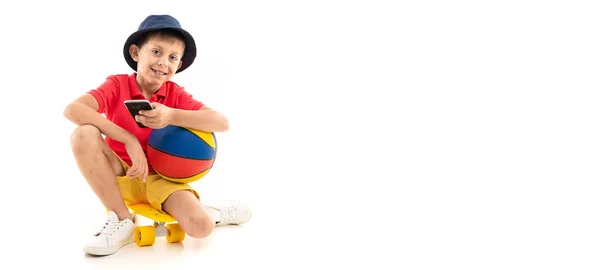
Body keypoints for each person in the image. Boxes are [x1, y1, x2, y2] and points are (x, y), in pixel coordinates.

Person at [63, 14, 252, 256]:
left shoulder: (175, 96)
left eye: (172, 57)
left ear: (179, 65)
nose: (163, 62)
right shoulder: (117, 85)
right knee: (83, 133)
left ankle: (211, 212)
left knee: (200, 227)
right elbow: (73, 110)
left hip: (161, 179)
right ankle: (122, 221)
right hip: (118, 173)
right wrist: (128, 140)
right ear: (135, 53)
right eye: (156, 51)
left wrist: (172, 116)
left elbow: (221, 122)